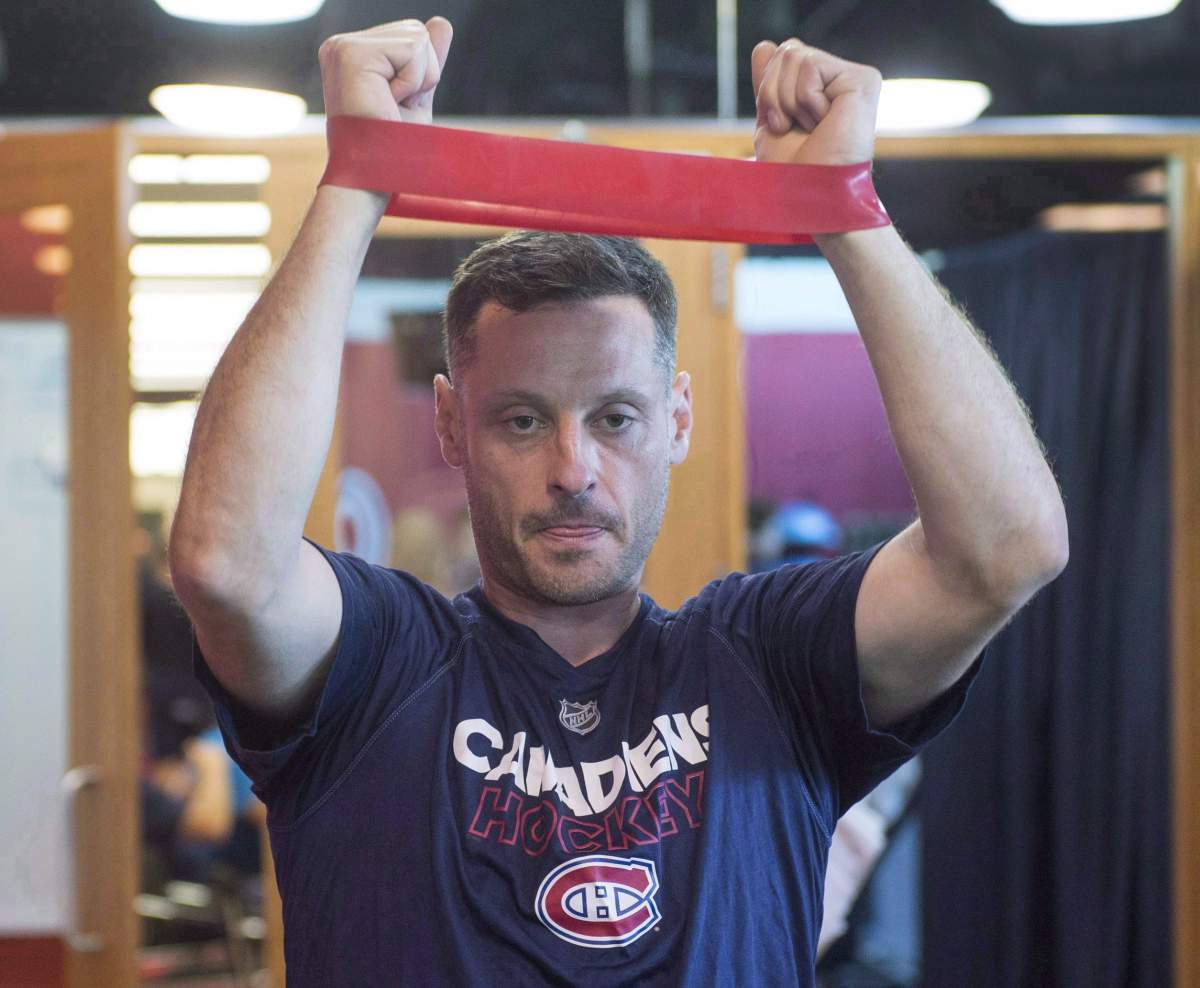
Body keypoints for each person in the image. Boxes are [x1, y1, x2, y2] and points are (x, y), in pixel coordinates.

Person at [167, 16, 1068, 986]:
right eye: (522, 420)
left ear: (677, 418)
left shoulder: (768, 664)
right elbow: (229, 563)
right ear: (451, 424)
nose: (573, 468)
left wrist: (849, 211)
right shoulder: (380, 667)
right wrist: (353, 184)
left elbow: (1006, 549)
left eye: (615, 418)